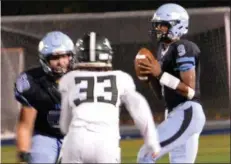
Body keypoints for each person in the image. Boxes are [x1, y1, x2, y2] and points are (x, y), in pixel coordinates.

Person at [58, 32, 161, 163]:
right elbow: (139, 107)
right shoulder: (121, 78)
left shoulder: (69, 79)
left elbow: (64, 125)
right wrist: (151, 140)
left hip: (76, 141)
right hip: (106, 144)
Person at [136, 3, 206, 163]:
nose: (158, 29)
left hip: (187, 111)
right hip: (175, 112)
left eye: (163, 25)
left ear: (177, 25)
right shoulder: (163, 49)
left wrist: (159, 73)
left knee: (146, 154)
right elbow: (162, 94)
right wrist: (149, 77)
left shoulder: (184, 47)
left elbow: (189, 91)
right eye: (157, 25)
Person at [14, 31, 76, 163]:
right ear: (45, 60)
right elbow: (25, 124)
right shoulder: (32, 83)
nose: (61, 62)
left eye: (64, 56)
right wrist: (23, 154)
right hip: (45, 136)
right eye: (55, 58)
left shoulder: (83, 79)